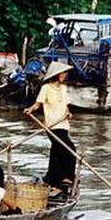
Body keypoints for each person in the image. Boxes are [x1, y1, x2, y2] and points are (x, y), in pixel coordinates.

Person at [23, 61, 76, 194]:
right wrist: (30, 109)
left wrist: (68, 113)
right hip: (52, 126)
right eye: (63, 73)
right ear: (57, 74)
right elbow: (38, 104)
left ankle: (52, 179)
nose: (65, 75)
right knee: (69, 148)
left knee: (57, 151)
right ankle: (66, 178)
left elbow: (66, 105)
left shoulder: (63, 89)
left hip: (63, 124)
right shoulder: (46, 88)